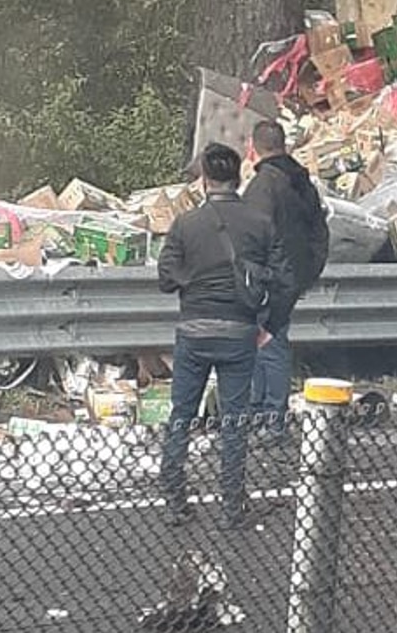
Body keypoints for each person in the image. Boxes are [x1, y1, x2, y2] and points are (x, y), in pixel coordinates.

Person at [157, 142, 294, 528]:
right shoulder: (260, 223)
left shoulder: (185, 224)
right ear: (239, 178)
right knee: (236, 420)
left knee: (182, 414)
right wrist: (270, 326)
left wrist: (194, 280)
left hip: (194, 332)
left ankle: (174, 500)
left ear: (204, 180)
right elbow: (284, 280)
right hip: (239, 333)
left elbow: (166, 279)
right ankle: (232, 507)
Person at [242, 119, 330, 443]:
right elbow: (319, 231)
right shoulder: (302, 182)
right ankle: (266, 417)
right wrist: (307, 272)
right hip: (291, 277)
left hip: (268, 280)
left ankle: (267, 420)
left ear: (254, 148)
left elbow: (251, 237)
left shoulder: (263, 186)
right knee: (269, 344)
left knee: (266, 347)